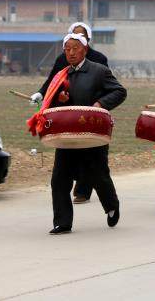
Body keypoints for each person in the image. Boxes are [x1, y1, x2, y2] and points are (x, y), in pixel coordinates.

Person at [31, 33, 126, 235]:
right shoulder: (61, 75)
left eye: (75, 48)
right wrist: (60, 98)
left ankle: (111, 206)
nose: (71, 52)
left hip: (91, 134)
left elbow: (119, 91)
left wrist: (100, 104)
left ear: (84, 50)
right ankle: (62, 222)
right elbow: (51, 103)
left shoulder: (99, 71)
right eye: (67, 49)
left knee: (98, 175)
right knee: (59, 179)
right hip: (66, 135)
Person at [31, 22, 109, 204]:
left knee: (90, 152)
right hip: (66, 112)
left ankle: (84, 190)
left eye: (80, 37)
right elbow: (52, 80)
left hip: (89, 112)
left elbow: (106, 86)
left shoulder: (99, 59)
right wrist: (41, 93)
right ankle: (64, 201)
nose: (73, 47)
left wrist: (99, 103)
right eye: (72, 37)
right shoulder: (62, 59)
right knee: (68, 151)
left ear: (87, 41)